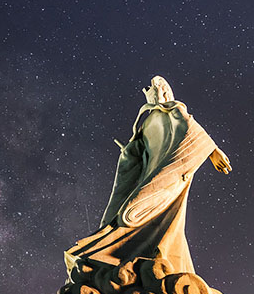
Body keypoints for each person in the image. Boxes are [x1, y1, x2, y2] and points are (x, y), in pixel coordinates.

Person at [65, 76, 230, 275]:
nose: (154, 94)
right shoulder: (146, 123)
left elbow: (189, 128)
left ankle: (146, 262)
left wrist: (212, 150)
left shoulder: (174, 110)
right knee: (124, 216)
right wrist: (128, 152)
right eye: (151, 91)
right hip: (147, 174)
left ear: (165, 92)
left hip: (165, 175)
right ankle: (117, 259)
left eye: (157, 89)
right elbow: (135, 154)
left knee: (136, 213)